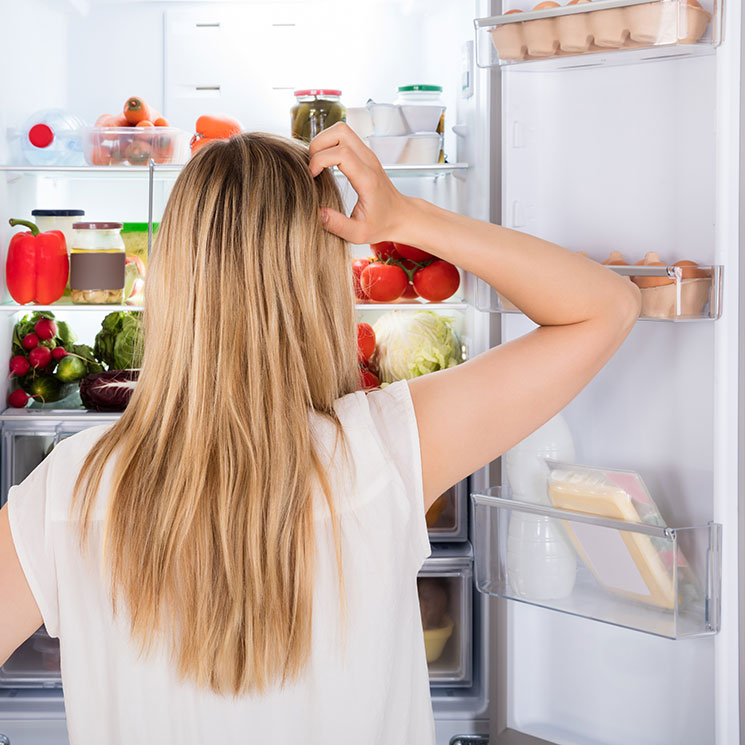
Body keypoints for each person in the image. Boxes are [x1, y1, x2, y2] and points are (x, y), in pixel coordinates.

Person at [0, 123, 640, 744]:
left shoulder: (67, 487)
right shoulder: (385, 449)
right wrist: (405, 217)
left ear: (173, 276)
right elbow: (606, 307)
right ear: (322, 280)